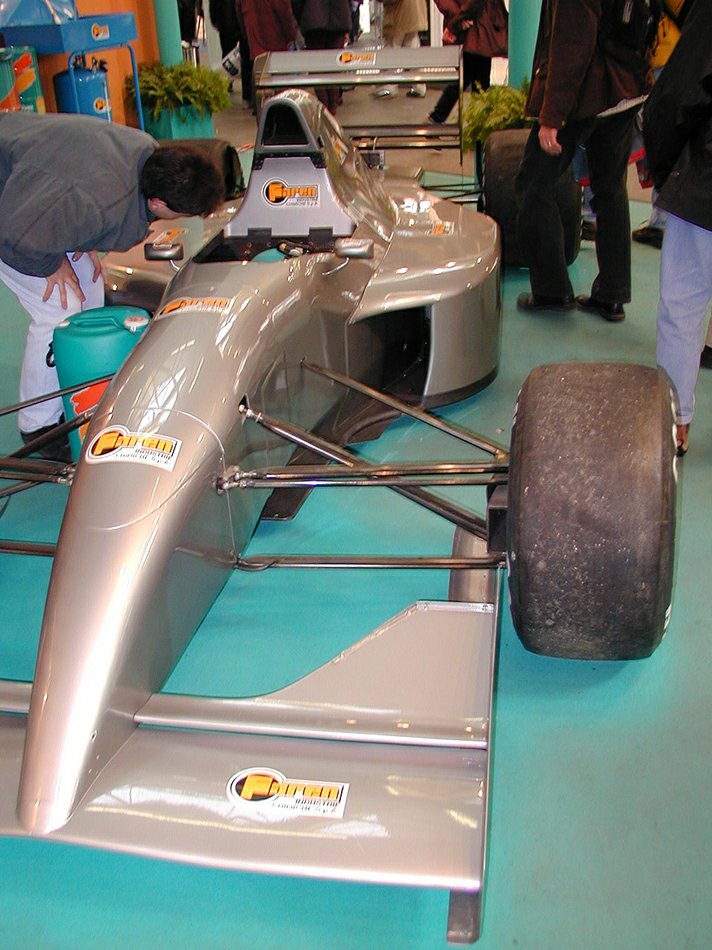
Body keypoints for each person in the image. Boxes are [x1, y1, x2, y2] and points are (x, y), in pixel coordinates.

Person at [0, 111, 225, 461]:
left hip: (36, 190)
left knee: (90, 285)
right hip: (12, 217)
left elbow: (73, 196)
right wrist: (51, 264)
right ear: (157, 204)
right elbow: (15, 232)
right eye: (179, 214)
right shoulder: (97, 204)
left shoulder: (147, 153)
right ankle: (39, 427)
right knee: (58, 310)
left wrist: (82, 236)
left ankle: (78, 392)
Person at [515, 0, 652, 323]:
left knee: (533, 185)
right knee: (610, 189)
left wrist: (552, 116)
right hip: (625, 87)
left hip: (588, 92)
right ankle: (612, 294)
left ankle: (551, 290)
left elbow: (572, 43)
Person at [644, 0, 712, 456]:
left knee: (684, 299)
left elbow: (678, 94)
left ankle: (676, 421)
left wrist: (666, 168)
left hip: (707, 179)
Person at [428, 0, 508, 125]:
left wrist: (456, 21)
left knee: (467, 77)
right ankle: (478, 121)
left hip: (473, 27)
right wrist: (457, 21)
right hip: (478, 29)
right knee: (477, 80)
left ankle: (439, 116)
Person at [293, 0, 352, 113]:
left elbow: (297, 3)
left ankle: (324, 109)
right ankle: (332, 110)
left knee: (317, 68)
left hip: (313, 18)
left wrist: (301, 18)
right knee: (334, 67)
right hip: (339, 16)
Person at [373, 0, 429, 99]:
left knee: (392, 50)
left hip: (399, 13)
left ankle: (388, 86)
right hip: (413, 11)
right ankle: (419, 86)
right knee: (412, 49)